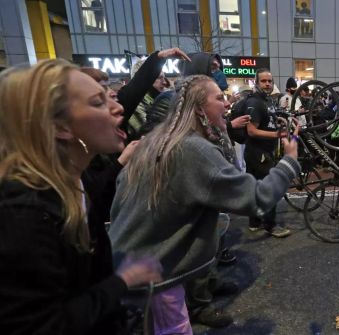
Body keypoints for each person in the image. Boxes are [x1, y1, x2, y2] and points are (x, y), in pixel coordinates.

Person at [109, 74, 301, 332]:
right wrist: (289, 161)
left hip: (126, 269)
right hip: (153, 276)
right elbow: (257, 199)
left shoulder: (154, 142)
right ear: (199, 108)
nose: (227, 103)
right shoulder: (193, 149)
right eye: (219, 98)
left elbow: (119, 202)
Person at [0, 60, 162, 334]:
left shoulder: (75, 179)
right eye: (98, 102)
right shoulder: (22, 213)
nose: (119, 107)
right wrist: (123, 280)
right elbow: (43, 324)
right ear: (60, 126)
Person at [244, 68, 293, 237]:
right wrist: (276, 134)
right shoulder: (255, 102)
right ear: (256, 83)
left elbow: (266, 120)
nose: (267, 84)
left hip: (262, 151)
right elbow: (251, 131)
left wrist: (277, 120)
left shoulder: (267, 101)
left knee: (255, 188)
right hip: (259, 153)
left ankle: (254, 221)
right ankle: (270, 225)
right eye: (263, 81)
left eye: (270, 81)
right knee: (270, 188)